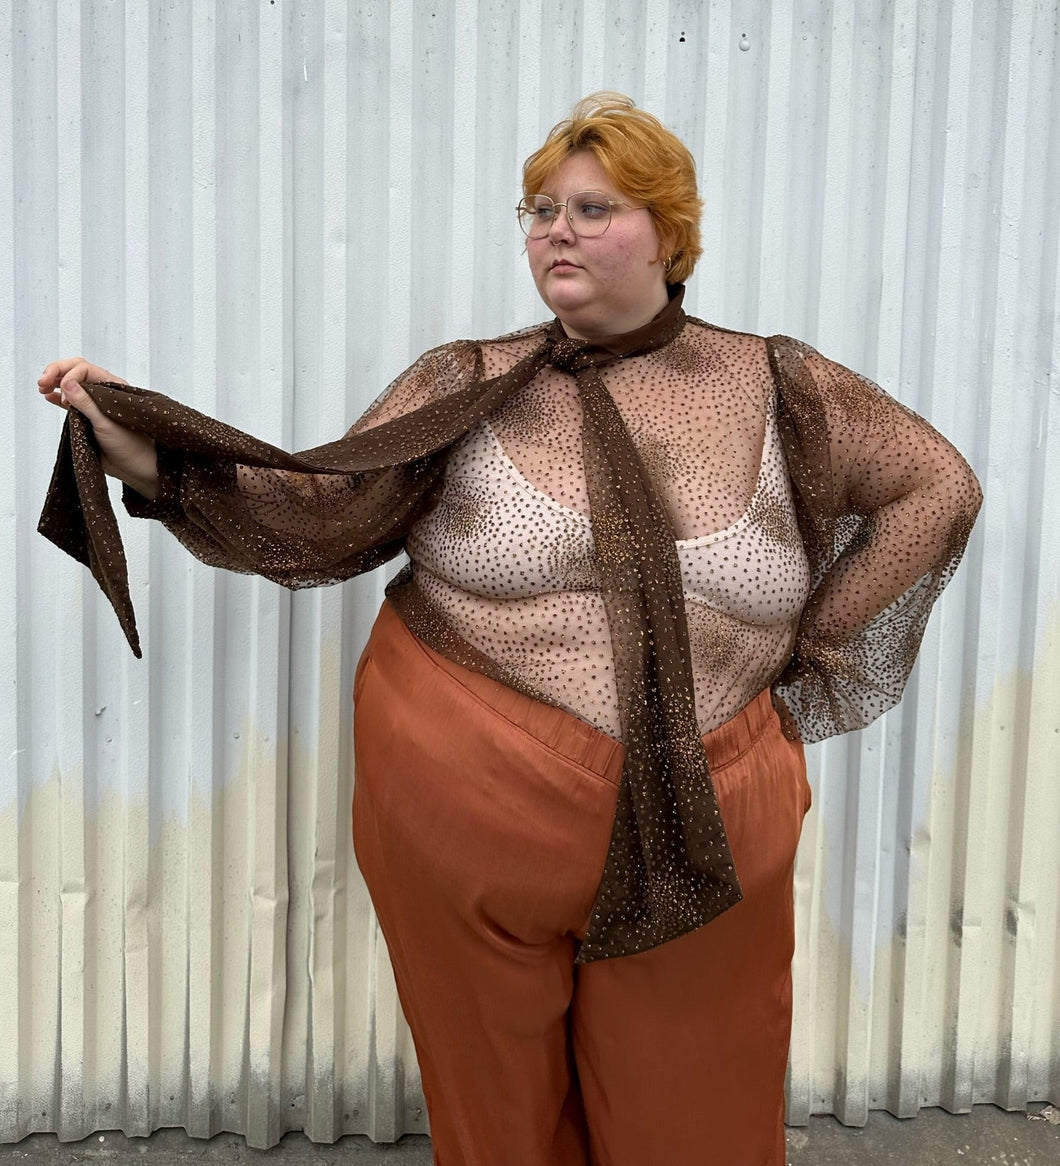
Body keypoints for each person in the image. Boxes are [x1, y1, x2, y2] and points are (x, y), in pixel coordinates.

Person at [38, 93, 981, 1166]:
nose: (555, 229)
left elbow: (935, 489)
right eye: (537, 210)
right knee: (495, 1109)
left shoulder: (779, 383)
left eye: (591, 206)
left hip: (708, 805)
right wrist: (152, 452)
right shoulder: (469, 381)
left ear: (669, 234)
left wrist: (804, 661)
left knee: (700, 1103)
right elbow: (319, 514)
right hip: (465, 794)